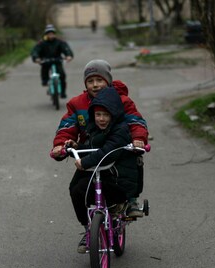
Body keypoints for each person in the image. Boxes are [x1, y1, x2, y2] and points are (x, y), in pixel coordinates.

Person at [50, 59, 148, 217]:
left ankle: (131, 200)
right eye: (90, 81)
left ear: (108, 81)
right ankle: (89, 227)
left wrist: (138, 138)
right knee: (76, 188)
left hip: (117, 150)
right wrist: (61, 145)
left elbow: (135, 121)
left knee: (130, 167)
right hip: (92, 150)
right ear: (85, 84)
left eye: (99, 80)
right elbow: (67, 127)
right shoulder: (77, 104)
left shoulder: (122, 101)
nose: (95, 85)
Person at [64, 87, 138, 253]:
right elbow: (93, 147)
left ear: (114, 114)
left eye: (106, 115)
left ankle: (116, 206)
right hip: (100, 172)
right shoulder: (93, 128)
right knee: (76, 189)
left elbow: (108, 152)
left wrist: (85, 162)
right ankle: (88, 227)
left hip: (117, 178)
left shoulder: (121, 130)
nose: (101, 119)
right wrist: (77, 147)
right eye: (98, 115)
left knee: (108, 190)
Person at [30, 24, 73, 98]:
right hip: (46, 60)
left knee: (62, 75)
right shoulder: (42, 42)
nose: (51, 35)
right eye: (49, 33)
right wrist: (36, 57)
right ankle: (45, 80)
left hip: (57, 60)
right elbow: (35, 51)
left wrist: (68, 55)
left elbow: (66, 48)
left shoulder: (59, 41)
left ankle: (63, 92)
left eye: (52, 33)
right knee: (44, 69)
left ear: (54, 34)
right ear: (46, 34)